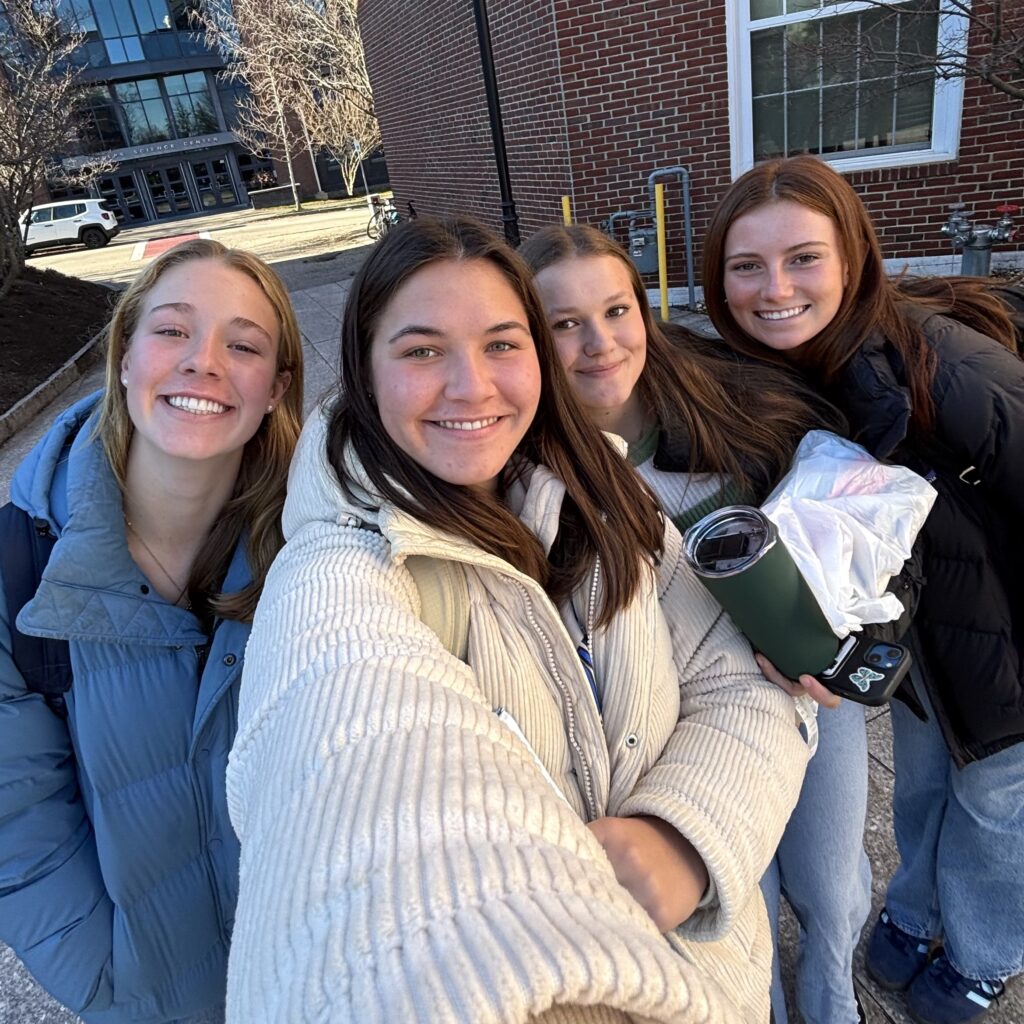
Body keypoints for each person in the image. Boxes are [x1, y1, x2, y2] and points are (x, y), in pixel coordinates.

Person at [224, 216, 810, 1023]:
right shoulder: (342, 573)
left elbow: (739, 679)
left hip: (724, 974)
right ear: (363, 368)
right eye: (422, 350)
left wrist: (685, 835)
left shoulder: (605, 492)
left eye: (502, 343)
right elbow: (347, 783)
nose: (472, 386)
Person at [703, 154, 1024, 1024]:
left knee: (999, 813)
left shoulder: (944, 366)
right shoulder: (801, 367)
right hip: (929, 644)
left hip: (1008, 646)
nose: (774, 288)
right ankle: (918, 915)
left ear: (852, 255)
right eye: (747, 266)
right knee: (923, 789)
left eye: (803, 257)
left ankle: (982, 956)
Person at [520, 223, 868, 1024]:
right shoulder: (531, 465)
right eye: (563, 323)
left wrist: (861, 638)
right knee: (737, 891)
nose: (599, 343)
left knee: (831, 875)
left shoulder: (730, 403)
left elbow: (861, 526)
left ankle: (833, 993)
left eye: (616, 310)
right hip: (689, 720)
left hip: (800, 689)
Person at [0, 239, 303, 1023]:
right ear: (125, 356)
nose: (204, 362)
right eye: (171, 331)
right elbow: (16, 822)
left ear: (275, 389)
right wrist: (113, 981)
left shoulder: (315, 554)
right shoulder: (17, 567)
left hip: (314, 975)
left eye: (243, 345)